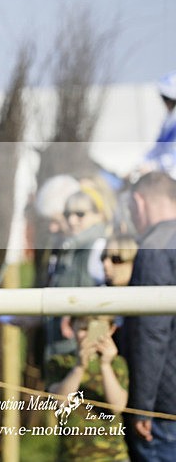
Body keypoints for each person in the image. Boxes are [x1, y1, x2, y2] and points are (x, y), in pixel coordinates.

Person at [125, 171, 176, 460]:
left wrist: (142, 405)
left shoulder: (155, 248)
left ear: (138, 201)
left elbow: (152, 332)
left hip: (165, 408)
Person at [47, 315, 129, 461]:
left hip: (113, 456)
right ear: (71, 327)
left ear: (111, 329)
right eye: (84, 329)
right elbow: (59, 403)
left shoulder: (117, 363)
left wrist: (105, 365)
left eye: (97, 330)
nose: (89, 337)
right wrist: (79, 366)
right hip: (73, 456)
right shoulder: (60, 362)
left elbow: (117, 406)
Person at [46, 189, 109, 361]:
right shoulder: (69, 248)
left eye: (80, 214)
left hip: (86, 355)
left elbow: (108, 305)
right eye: (67, 214)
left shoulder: (99, 248)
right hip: (60, 351)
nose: (72, 220)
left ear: (98, 215)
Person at [131, 70, 176, 180]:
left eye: (167, 98)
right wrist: (139, 165)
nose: (165, 102)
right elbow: (157, 148)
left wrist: (153, 166)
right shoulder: (169, 121)